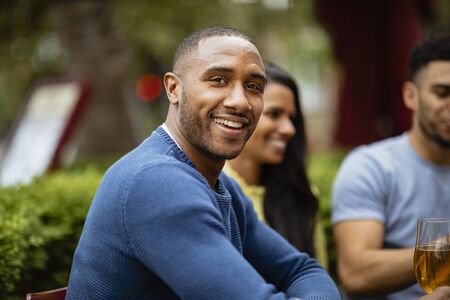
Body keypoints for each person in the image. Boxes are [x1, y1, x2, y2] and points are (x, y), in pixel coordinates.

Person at [66, 26, 340, 299]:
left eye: (253, 87)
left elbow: (302, 270)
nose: (240, 102)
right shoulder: (154, 182)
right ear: (174, 88)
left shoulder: (224, 187)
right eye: (218, 80)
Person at [331, 34, 450, 300]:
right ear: (411, 96)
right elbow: (355, 273)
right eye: (442, 93)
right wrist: (442, 253)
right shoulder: (371, 167)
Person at [224, 62, 328, 267]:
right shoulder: (210, 190)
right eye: (274, 114)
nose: (289, 129)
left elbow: (318, 276)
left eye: (292, 118)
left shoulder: (302, 195)